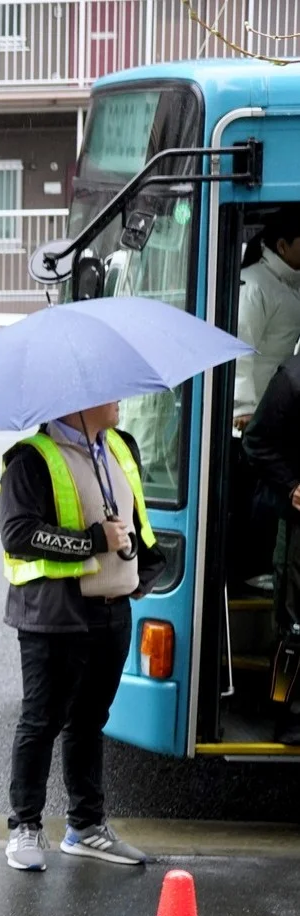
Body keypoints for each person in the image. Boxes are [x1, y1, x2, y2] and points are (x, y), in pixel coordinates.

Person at [0, 403, 165, 872]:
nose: (118, 401)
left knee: (91, 722)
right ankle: (25, 826)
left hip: (113, 611)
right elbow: (17, 534)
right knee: (41, 722)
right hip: (53, 617)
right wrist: (94, 540)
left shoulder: (119, 447)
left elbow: (136, 521)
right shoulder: (31, 459)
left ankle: (87, 827)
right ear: (77, 402)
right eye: (107, 393)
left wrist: (141, 569)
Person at [229, 210, 300, 588]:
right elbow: (242, 347)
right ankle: (250, 569)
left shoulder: (289, 285)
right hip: (254, 413)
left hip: (278, 407)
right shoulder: (256, 284)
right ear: (283, 245)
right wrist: (243, 407)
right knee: (255, 495)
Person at [240, 351, 300, 740]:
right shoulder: (292, 380)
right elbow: (255, 442)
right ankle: (288, 714)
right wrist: (292, 486)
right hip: (299, 529)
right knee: (295, 626)